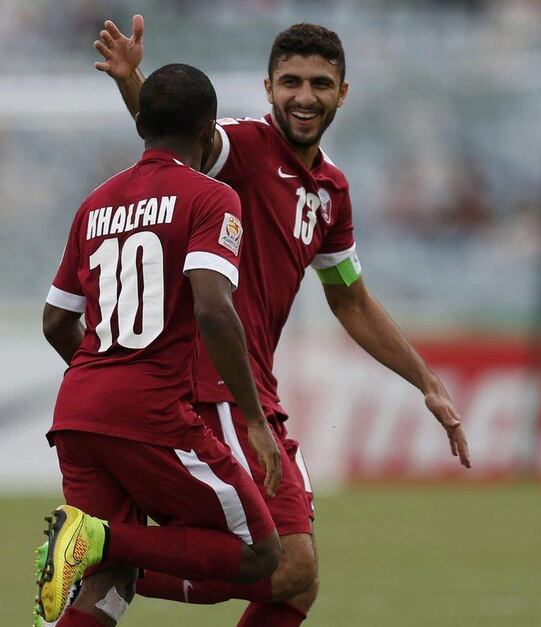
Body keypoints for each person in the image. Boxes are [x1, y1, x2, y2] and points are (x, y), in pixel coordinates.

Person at [94, 17, 472, 626]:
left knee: (295, 587)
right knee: (291, 566)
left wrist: (426, 382)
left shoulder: (331, 192)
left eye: (320, 83)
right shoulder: (241, 149)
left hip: (255, 391)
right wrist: (132, 81)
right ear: (268, 88)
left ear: (342, 92)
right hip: (213, 385)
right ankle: (109, 558)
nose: (304, 96)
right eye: (290, 81)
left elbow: (351, 299)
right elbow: (175, 136)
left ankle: (111, 563)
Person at [36, 63, 284, 627]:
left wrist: (100, 381)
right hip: (152, 412)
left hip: (77, 410)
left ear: (141, 124)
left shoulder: (94, 203)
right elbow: (214, 310)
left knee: (108, 584)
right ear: (207, 134)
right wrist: (254, 420)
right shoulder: (211, 197)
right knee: (262, 553)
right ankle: (98, 538)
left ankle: (96, 543)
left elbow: (55, 321)